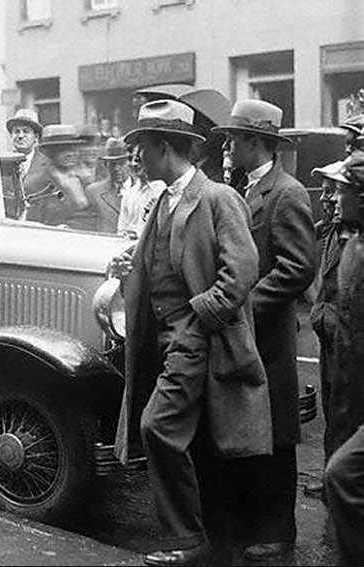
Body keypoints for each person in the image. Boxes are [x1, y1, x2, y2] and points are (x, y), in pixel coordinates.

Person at [111, 100, 271, 567]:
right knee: (192, 439)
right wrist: (128, 268)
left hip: (195, 338)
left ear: (165, 147)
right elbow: (158, 263)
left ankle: (186, 538)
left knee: (156, 427)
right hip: (163, 338)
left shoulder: (218, 198)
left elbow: (242, 271)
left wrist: (200, 316)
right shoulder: (162, 200)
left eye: (142, 148)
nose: (137, 159)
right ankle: (214, 536)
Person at [214, 100, 317, 562]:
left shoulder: (287, 193)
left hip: (267, 336)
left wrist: (244, 305)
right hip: (246, 336)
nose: (229, 146)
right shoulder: (241, 187)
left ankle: (279, 532)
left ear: (256, 142)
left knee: (275, 435)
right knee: (247, 429)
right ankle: (248, 523)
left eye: (235, 139)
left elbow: (297, 268)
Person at [323, 149, 364, 565]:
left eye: (342, 190)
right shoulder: (352, 247)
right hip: (351, 391)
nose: (333, 198)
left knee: (343, 475)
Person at [304, 161, 351, 498]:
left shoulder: (353, 237)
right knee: (331, 403)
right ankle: (331, 470)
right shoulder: (330, 230)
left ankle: (341, 475)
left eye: (334, 190)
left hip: (346, 336)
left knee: (344, 407)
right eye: (325, 191)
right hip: (327, 331)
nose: (328, 198)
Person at [23, 124, 96, 229]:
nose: (70, 154)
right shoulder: (35, 185)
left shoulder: (85, 181)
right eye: (63, 149)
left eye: (73, 148)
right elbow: (33, 227)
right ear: (49, 152)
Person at [118, 143, 164, 237]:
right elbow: (121, 229)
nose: (133, 164)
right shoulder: (129, 193)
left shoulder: (162, 190)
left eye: (138, 159)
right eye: (130, 159)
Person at [85, 137, 130, 234]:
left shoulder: (145, 191)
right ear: (106, 165)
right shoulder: (93, 192)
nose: (117, 168)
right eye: (112, 164)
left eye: (122, 163)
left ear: (130, 163)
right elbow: (85, 228)